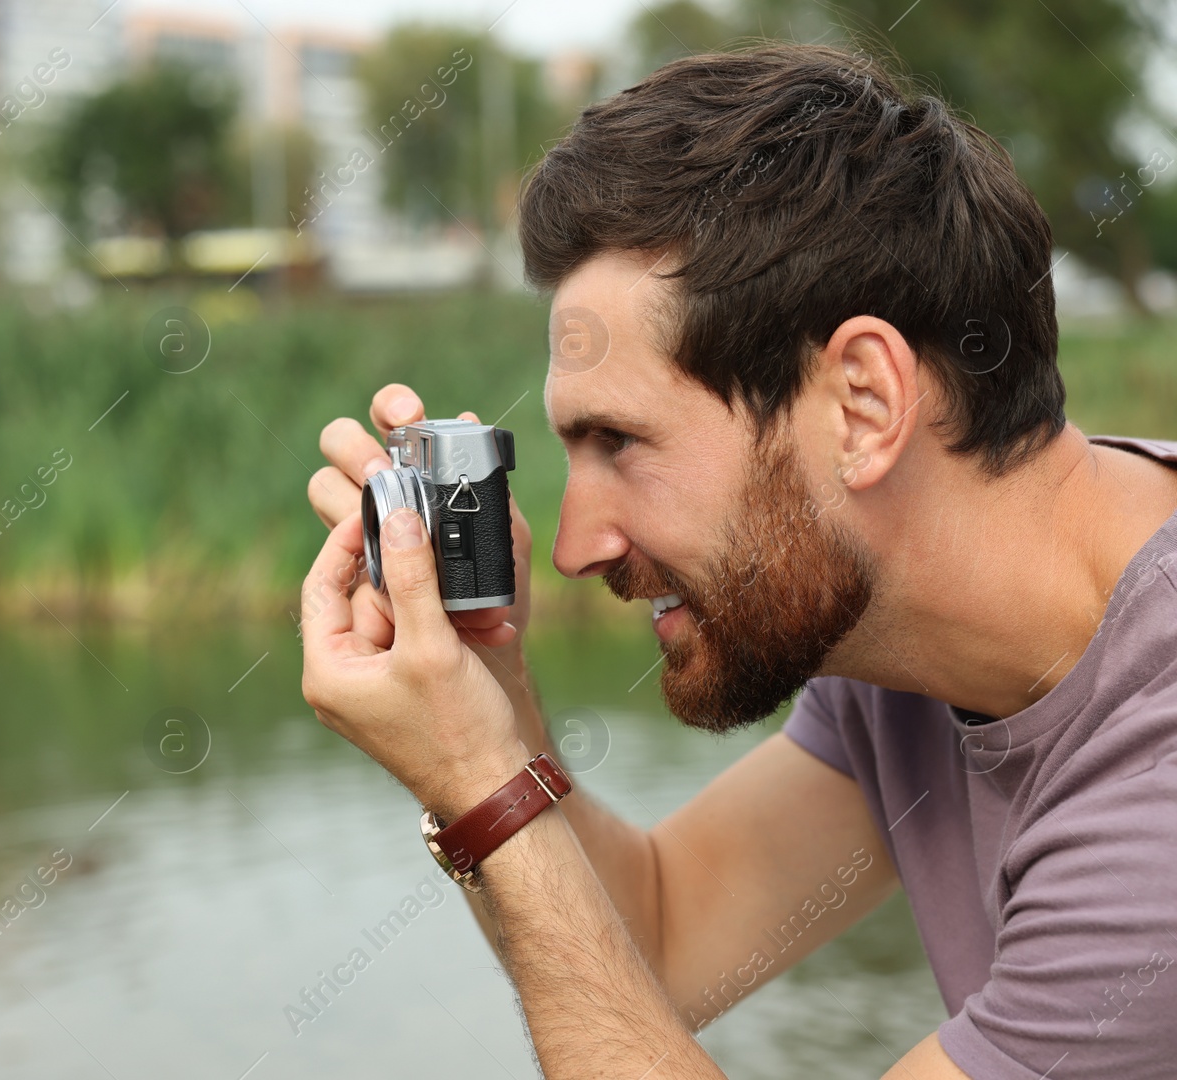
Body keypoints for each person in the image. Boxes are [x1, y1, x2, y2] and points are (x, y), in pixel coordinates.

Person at [299, 43, 1177, 1080]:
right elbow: (662, 947)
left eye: (620, 443)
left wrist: (484, 790)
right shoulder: (896, 638)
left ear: (862, 404)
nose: (576, 547)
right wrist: (493, 702)